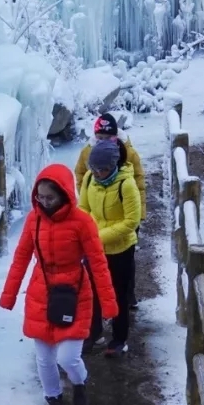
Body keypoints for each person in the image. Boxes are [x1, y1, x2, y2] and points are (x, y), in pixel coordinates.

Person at [0, 164, 118, 405]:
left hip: (74, 294)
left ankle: (80, 382)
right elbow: (21, 258)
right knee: (43, 358)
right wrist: (9, 295)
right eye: (39, 196)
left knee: (68, 357)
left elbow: (98, 264)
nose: (43, 202)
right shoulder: (34, 219)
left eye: (49, 197)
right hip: (41, 292)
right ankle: (53, 400)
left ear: (64, 194)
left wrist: (108, 303)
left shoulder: (82, 222)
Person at [74, 113, 147, 312]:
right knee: (98, 260)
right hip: (98, 209)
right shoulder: (87, 152)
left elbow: (138, 180)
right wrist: (87, 192)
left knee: (126, 258)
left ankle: (127, 293)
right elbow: (80, 172)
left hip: (125, 209)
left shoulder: (128, 152)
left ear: (116, 136)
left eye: (109, 137)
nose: (104, 141)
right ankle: (102, 300)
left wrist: (139, 213)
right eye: (100, 137)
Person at [78, 139, 141, 357]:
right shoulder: (88, 179)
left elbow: (132, 220)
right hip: (95, 249)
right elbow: (83, 208)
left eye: (101, 169)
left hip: (121, 249)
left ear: (113, 166)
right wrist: (89, 233)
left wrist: (98, 236)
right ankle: (94, 334)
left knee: (118, 295)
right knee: (91, 292)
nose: (96, 173)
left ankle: (119, 339)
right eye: (93, 169)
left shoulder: (126, 184)